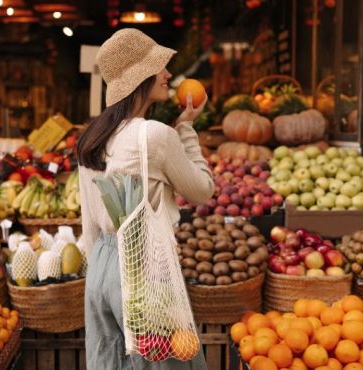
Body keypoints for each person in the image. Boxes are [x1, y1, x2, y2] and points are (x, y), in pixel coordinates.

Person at [77, 28, 215, 369]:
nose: (169, 74)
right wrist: (186, 129)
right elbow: (202, 190)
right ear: (141, 77)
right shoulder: (156, 135)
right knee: (164, 363)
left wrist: (97, 278)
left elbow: (90, 222)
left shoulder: (92, 139)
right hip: (143, 267)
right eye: (159, 66)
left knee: (112, 362)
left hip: (102, 266)